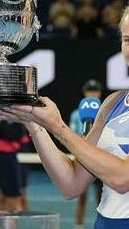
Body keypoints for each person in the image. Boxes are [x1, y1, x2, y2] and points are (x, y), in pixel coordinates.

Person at [0, 5, 129, 228]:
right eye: (127, 40)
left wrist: (59, 127)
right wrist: (35, 123)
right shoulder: (112, 104)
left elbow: (122, 178)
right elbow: (71, 184)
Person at [68, 79, 103, 229]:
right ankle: (79, 226)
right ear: (84, 93)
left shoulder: (106, 110)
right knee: (81, 196)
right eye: (90, 91)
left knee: (102, 198)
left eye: (95, 91)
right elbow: (72, 136)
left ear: (100, 93)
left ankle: (102, 224)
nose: (93, 94)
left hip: (101, 160)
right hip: (83, 159)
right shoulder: (77, 114)